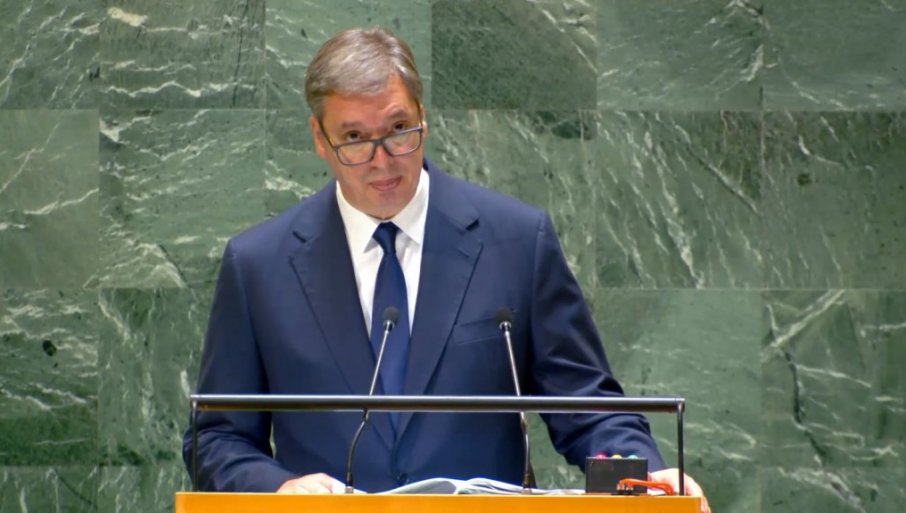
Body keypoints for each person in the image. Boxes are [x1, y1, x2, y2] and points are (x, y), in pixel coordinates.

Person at [182, 26, 709, 512]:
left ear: (423, 116)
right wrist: (278, 488)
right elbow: (217, 437)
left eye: (398, 129)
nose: (383, 160)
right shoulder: (259, 265)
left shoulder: (516, 242)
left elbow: (588, 408)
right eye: (355, 138)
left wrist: (649, 479)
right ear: (320, 138)